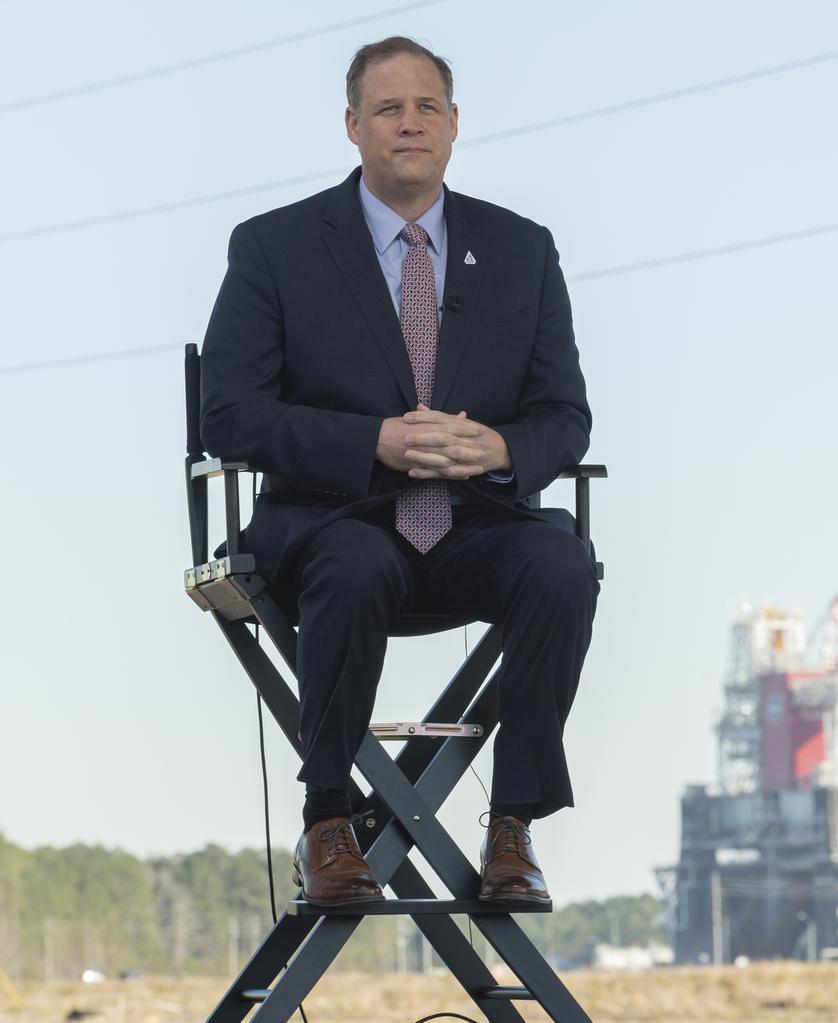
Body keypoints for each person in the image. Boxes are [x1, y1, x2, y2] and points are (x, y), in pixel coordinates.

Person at [199, 36, 597, 907]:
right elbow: (226, 413)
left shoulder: (524, 250)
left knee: (564, 560)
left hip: (475, 525)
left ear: (455, 125)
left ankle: (513, 827)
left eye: (427, 108)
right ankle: (328, 821)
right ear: (353, 126)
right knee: (358, 563)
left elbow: (565, 418)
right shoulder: (275, 247)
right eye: (388, 109)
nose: (409, 123)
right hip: (330, 527)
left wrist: (497, 449)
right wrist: (369, 441)